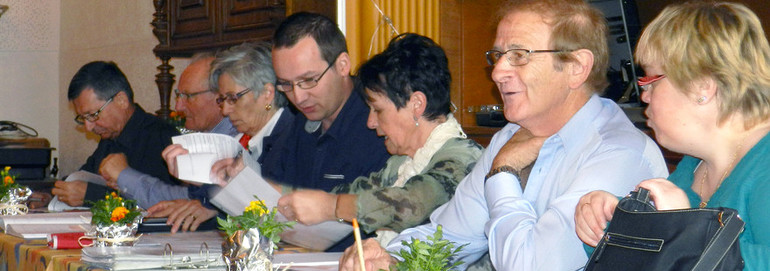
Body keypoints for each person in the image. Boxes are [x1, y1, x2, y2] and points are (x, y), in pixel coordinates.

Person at [339, 0, 668, 270]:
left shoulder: (619, 154)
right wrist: (388, 257)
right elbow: (450, 236)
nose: (497, 72)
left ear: (576, 68)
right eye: (498, 56)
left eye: (519, 56)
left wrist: (503, 174)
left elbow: (532, 265)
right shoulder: (511, 136)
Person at [575, 2, 770, 269]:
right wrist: (614, 217)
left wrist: (684, 228)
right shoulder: (694, 166)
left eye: (652, 80)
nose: (644, 95)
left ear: (702, 87)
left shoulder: (764, 168)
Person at [277, 33, 483, 246]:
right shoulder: (399, 164)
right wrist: (286, 199)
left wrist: (332, 207)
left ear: (417, 104)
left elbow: (412, 204)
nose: (370, 122)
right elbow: (355, 192)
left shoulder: (464, 157)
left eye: (378, 110)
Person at [149, 42, 295, 233]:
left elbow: (279, 214)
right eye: (222, 100)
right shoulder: (253, 141)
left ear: (267, 94)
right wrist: (199, 177)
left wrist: (213, 200)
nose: (225, 110)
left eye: (233, 98)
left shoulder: (294, 137)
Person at [264, 12, 390, 193]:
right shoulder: (297, 125)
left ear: (343, 65)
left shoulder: (378, 125)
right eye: (286, 84)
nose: (299, 98)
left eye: (308, 80)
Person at [98, 53, 238, 209]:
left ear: (219, 96)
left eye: (188, 96)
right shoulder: (206, 137)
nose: (178, 107)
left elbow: (193, 200)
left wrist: (125, 176)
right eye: (178, 96)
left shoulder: (238, 141)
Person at [52, 61, 179, 207]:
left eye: (92, 115)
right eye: (83, 118)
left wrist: (91, 196)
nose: (88, 127)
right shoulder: (110, 138)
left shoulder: (160, 137)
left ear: (121, 100)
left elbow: (162, 202)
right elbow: (82, 178)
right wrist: (51, 194)